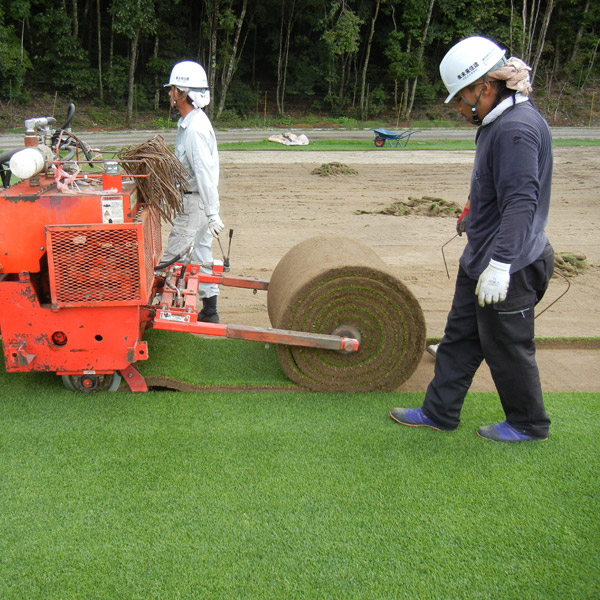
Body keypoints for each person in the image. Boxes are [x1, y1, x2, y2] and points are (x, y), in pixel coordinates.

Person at [390, 36, 555, 442]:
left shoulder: (516, 129)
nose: (459, 109)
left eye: (461, 99)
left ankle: (528, 424)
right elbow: (496, 183)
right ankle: (439, 412)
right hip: (481, 257)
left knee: (507, 347)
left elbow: (521, 202)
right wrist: (472, 206)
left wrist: (500, 266)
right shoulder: (497, 122)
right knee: (461, 336)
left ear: (484, 86)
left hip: (510, 265)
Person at [161, 60, 224, 323]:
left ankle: (160, 312)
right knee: (201, 256)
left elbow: (204, 173)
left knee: (171, 258)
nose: (169, 94)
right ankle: (210, 312)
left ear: (183, 93)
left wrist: (212, 213)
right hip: (195, 202)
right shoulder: (191, 122)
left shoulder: (195, 129)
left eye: (172, 90)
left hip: (195, 204)